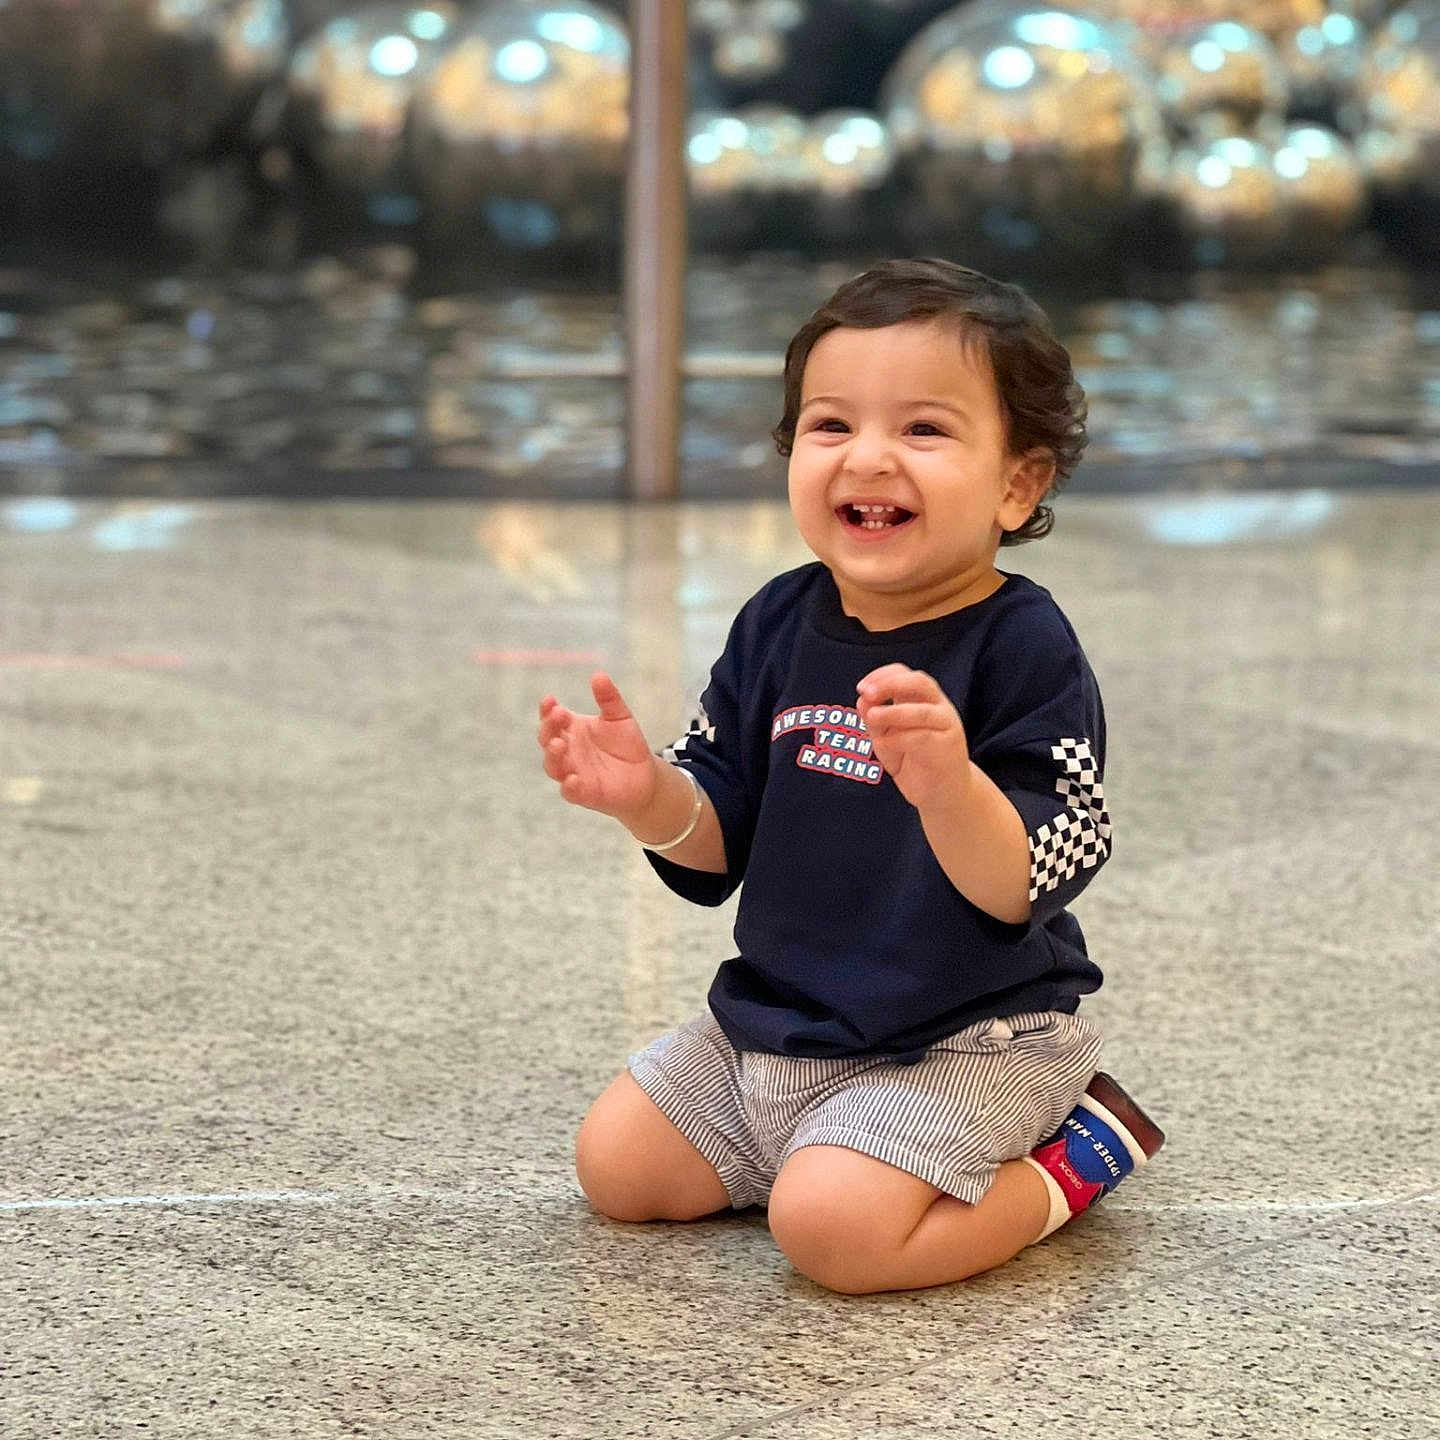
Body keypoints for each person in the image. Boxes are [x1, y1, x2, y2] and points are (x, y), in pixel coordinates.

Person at [536, 258, 1164, 1295]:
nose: (868, 458)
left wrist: (948, 783)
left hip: (967, 1040)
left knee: (834, 1237)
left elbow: (1034, 872)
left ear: (1018, 483)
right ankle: (834, 1144)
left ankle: (1079, 1153)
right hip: (777, 1023)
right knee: (618, 1168)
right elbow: (719, 837)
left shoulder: (1024, 646)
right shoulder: (778, 620)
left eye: (923, 430)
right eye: (830, 427)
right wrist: (646, 797)